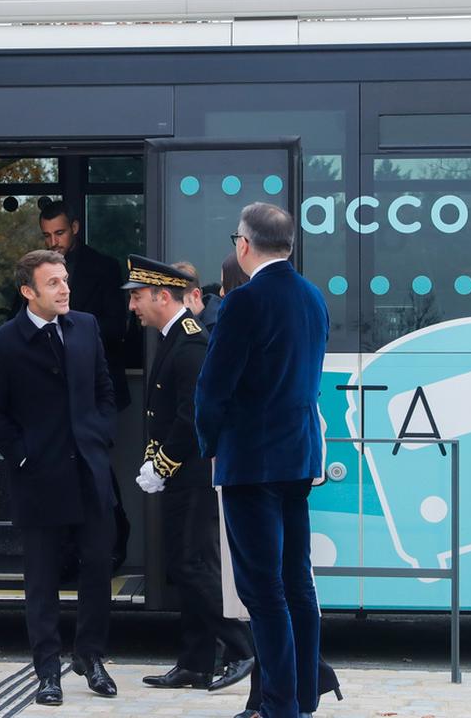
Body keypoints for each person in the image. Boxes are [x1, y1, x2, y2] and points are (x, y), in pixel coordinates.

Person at [194, 203, 329, 718]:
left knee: (263, 588)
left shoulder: (245, 302)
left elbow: (213, 388)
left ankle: (279, 706)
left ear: (243, 245)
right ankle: (302, 695)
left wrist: (210, 446)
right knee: (298, 580)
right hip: (298, 456)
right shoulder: (313, 297)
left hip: (251, 461)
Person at [0, 249, 119, 707]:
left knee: (98, 568)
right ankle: (47, 672)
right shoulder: (0, 344)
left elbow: (104, 390)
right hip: (38, 478)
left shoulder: (86, 327)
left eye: (65, 280)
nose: (65, 289)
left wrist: (99, 437)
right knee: (42, 580)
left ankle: (91, 657)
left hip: (90, 473)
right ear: (27, 291)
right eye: (53, 283)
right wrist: (22, 457)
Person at [123, 255, 255, 693]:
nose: (132, 306)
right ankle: (195, 663)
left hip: (193, 474)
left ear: (163, 296)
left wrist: (160, 465)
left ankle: (242, 648)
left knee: (193, 566)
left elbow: (190, 416)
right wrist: (155, 459)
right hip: (181, 472)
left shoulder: (191, 342)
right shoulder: (172, 337)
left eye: (138, 297)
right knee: (185, 566)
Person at [38, 201, 129, 409]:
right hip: (49, 385)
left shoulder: (105, 267)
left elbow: (116, 327)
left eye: (59, 233)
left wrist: (65, 331)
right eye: (46, 235)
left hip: (95, 383)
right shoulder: (36, 270)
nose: (53, 241)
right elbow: (20, 319)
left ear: (75, 228)